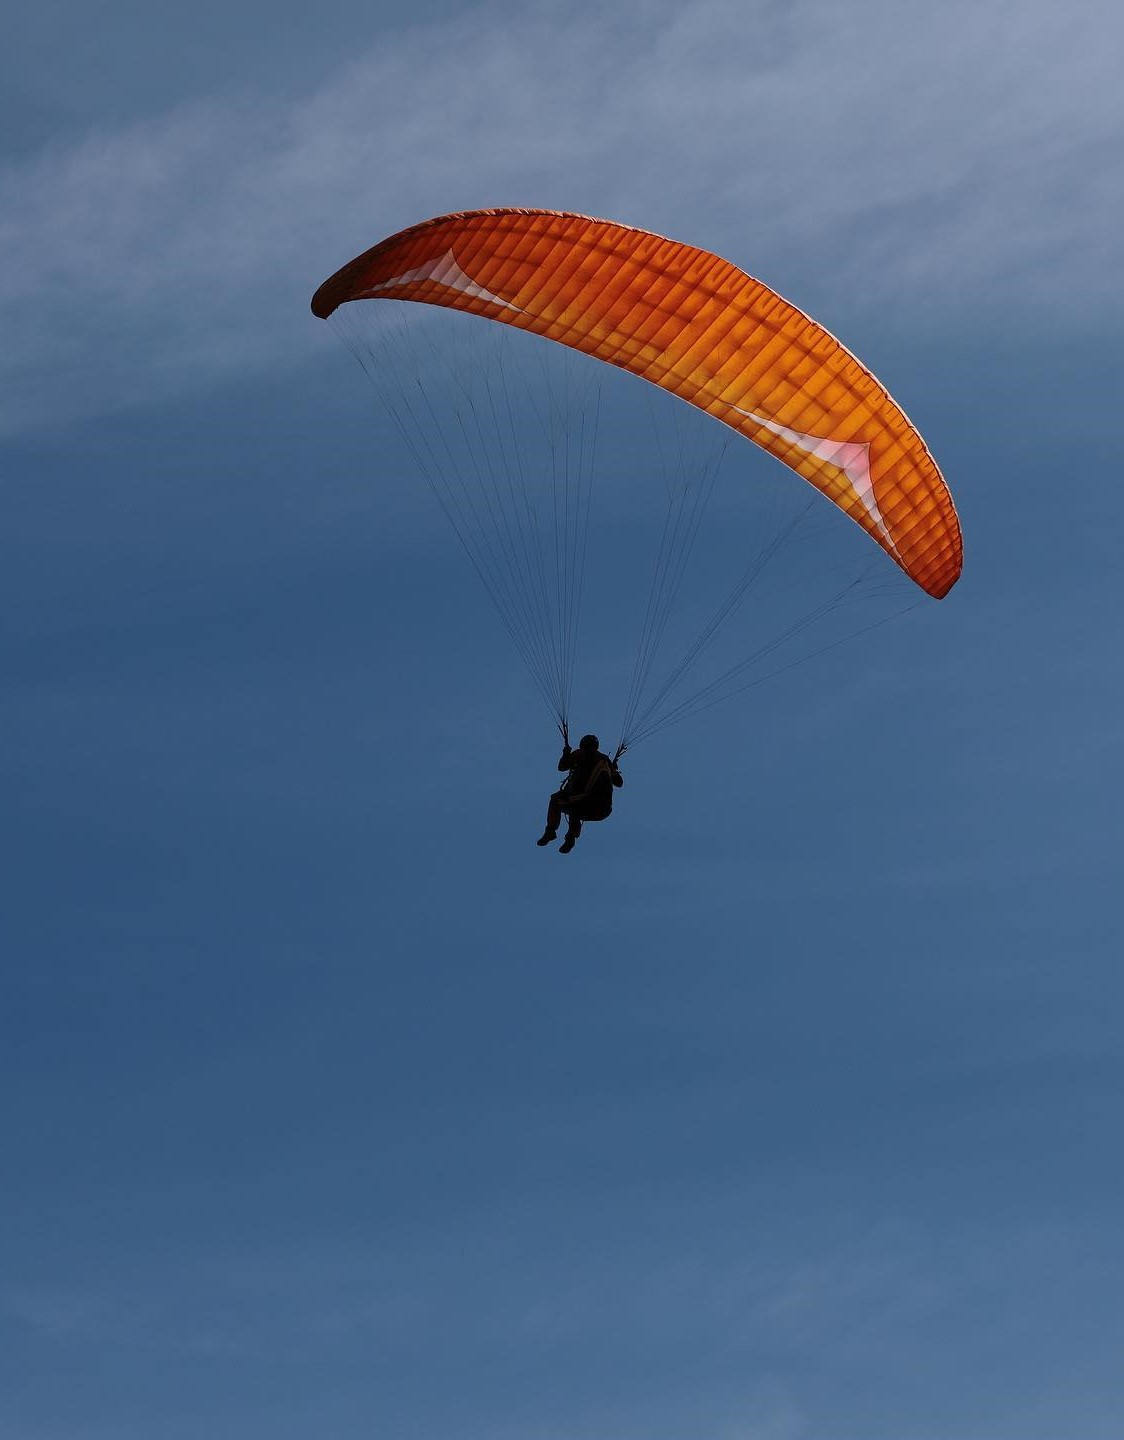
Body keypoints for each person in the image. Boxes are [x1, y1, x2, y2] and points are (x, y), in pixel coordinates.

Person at [537, 732, 624, 853]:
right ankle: (570, 838)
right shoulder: (605, 761)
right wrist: (612, 769)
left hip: (586, 800)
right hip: (603, 809)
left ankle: (551, 831)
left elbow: (562, 767)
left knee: (556, 799)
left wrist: (566, 753)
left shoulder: (580, 753)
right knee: (575, 808)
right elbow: (619, 783)